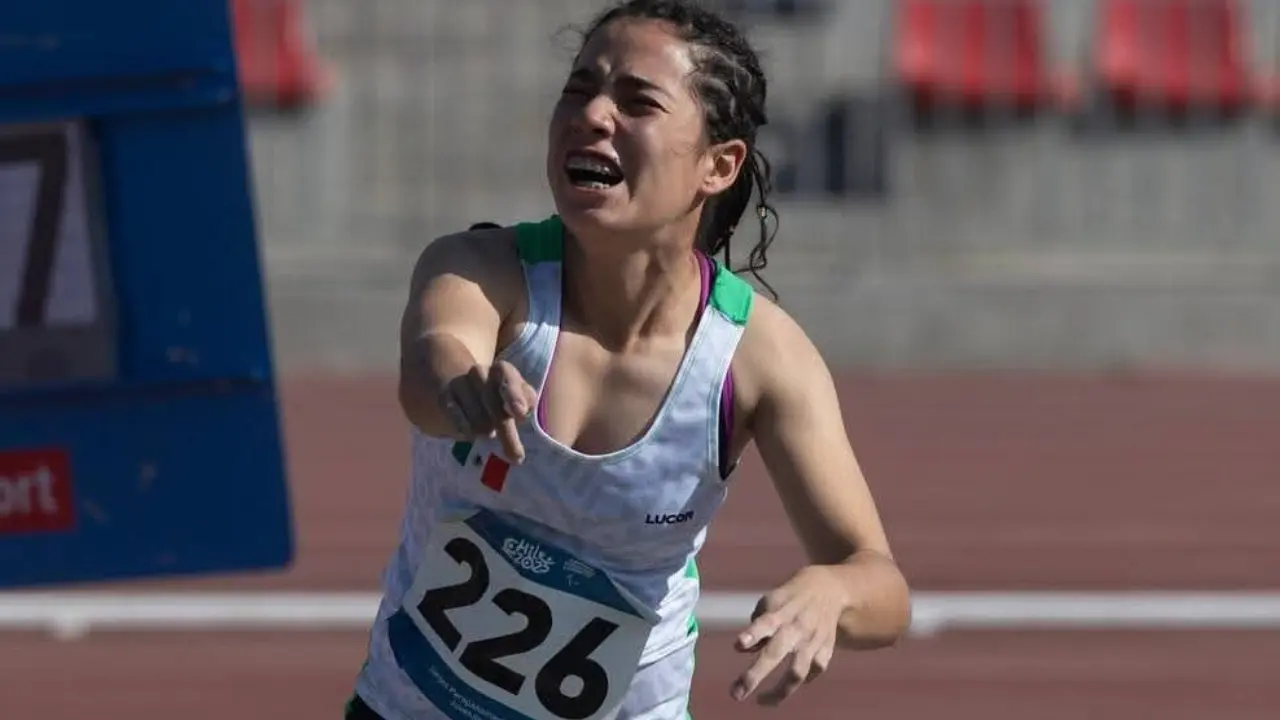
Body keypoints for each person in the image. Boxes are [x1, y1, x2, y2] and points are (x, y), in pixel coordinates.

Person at [346, 1, 910, 718]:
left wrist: (835, 593)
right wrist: (463, 387)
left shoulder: (759, 358)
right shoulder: (480, 269)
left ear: (718, 165)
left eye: (637, 100)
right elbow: (433, 362)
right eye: (579, 90)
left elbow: (881, 584)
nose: (593, 115)